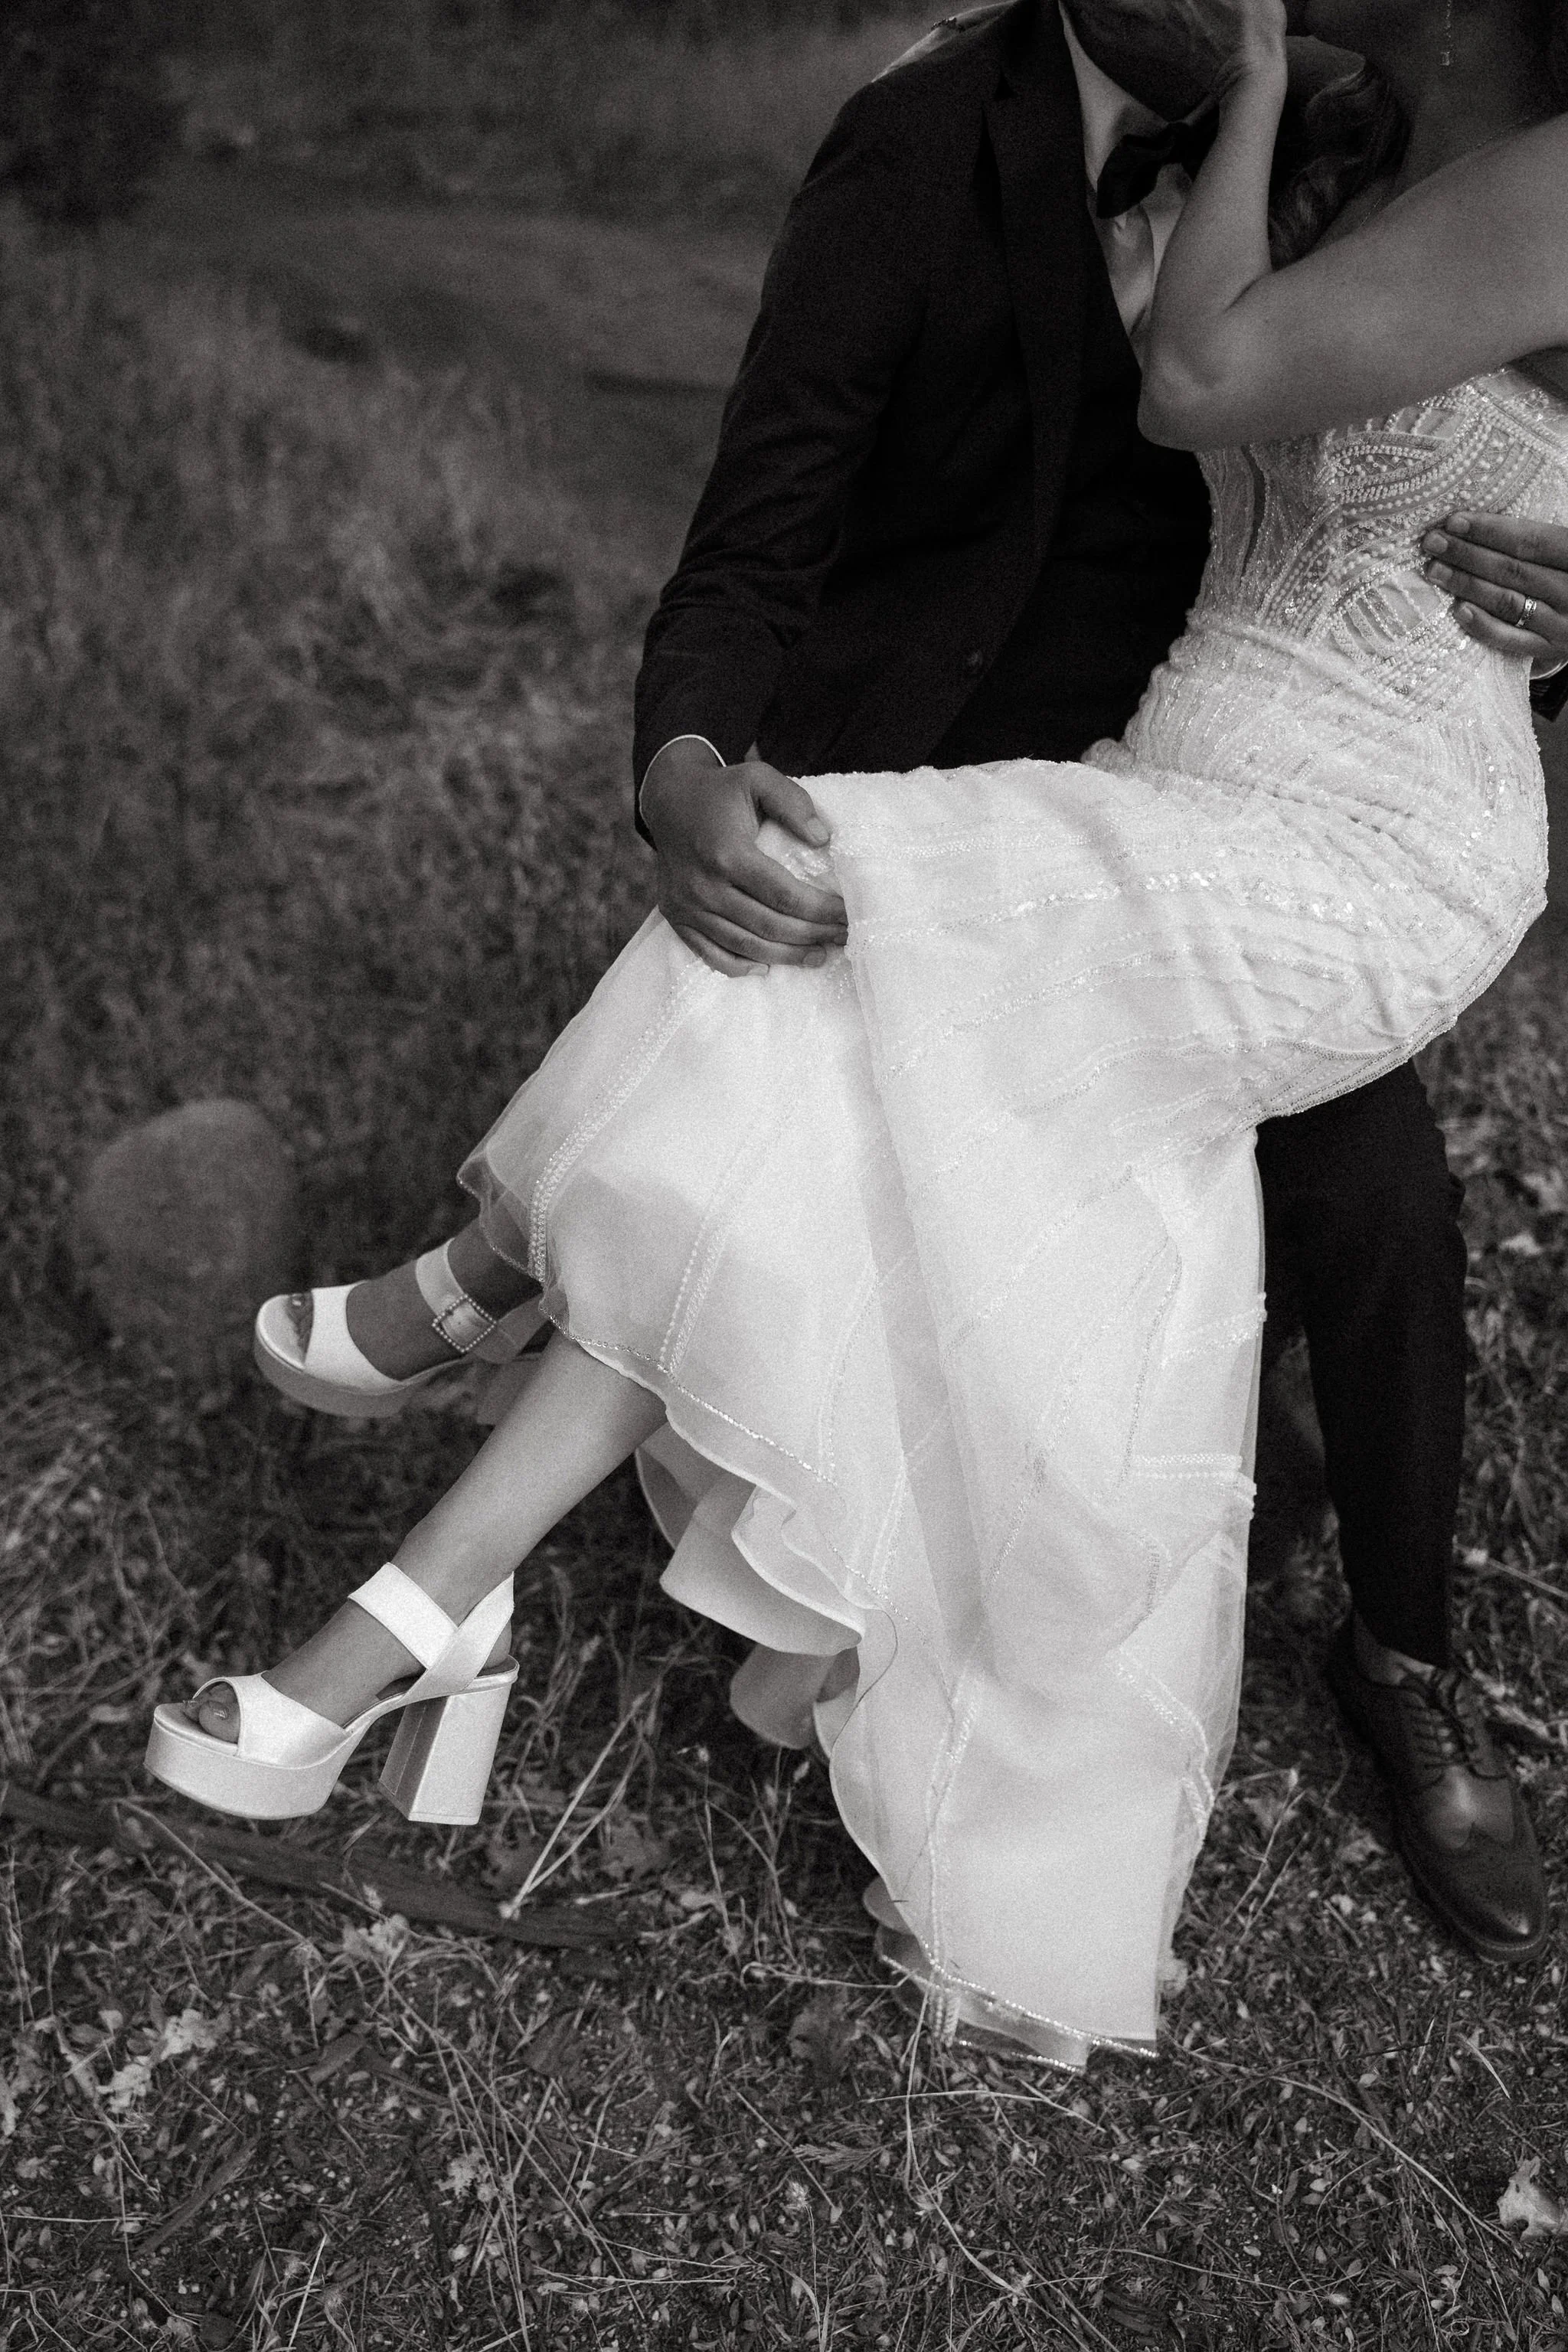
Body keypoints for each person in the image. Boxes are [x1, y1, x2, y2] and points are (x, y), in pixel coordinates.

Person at [149, 0, 1568, 2064]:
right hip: (1125, 793)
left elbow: (1224, 394)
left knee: (1328, 1180)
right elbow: (765, 521)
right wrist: (684, 766)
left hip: (1340, 857)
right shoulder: (966, 138)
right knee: (807, 976)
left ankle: (1406, 1649)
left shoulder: (1478, 133)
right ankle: (424, 1606)